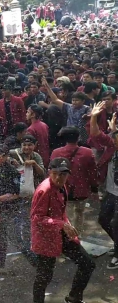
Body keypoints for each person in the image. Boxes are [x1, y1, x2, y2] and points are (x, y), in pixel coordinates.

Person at [31, 158, 96, 303]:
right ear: (50, 173)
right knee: (44, 277)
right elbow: (37, 218)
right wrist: (61, 224)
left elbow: (60, 211)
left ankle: (74, 297)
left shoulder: (62, 186)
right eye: (56, 174)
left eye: (64, 174)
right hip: (45, 238)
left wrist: (67, 226)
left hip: (61, 233)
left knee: (87, 264)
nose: (60, 178)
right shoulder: (44, 190)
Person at [0, 144, 38, 274]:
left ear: (5, 156)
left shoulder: (12, 171)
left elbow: (15, 194)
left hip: (11, 210)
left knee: (16, 239)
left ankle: (39, 264)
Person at [50, 127, 97, 236]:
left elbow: (51, 173)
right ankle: (77, 238)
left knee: (66, 217)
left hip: (63, 192)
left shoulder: (56, 152)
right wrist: (94, 189)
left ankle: (68, 241)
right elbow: (93, 174)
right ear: (78, 137)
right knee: (79, 215)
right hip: (82, 192)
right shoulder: (87, 152)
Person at [88, 101, 118, 268]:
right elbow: (95, 135)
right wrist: (94, 117)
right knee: (103, 219)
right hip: (111, 191)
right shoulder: (112, 144)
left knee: (116, 223)